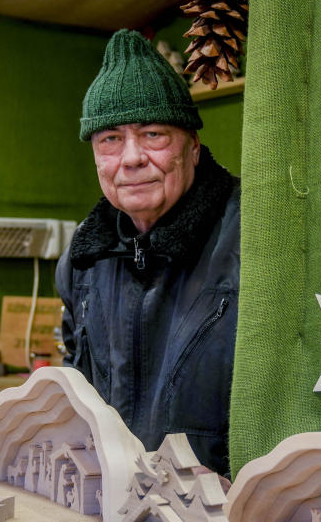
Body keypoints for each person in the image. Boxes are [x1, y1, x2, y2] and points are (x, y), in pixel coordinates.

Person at [56, 29, 240, 475]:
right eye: (110, 140)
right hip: (110, 502)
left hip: (222, 513)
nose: (131, 157)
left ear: (193, 147)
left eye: (153, 134)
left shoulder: (249, 240)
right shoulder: (82, 261)